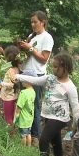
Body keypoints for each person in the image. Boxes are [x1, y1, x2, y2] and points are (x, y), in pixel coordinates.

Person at [15, 52, 79, 156]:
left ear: (65, 68)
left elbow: (75, 107)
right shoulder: (50, 78)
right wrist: (19, 77)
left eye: (56, 67)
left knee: (44, 139)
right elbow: (35, 80)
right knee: (56, 142)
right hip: (48, 116)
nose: (53, 69)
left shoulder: (70, 87)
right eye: (53, 66)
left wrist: (77, 125)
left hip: (60, 118)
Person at [19, 10, 54, 145]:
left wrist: (30, 48)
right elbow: (28, 55)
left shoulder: (47, 37)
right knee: (25, 105)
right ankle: (25, 134)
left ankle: (36, 137)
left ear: (42, 22)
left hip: (37, 75)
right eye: (31, 22)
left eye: (35, 22)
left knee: (35, 106)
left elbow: (44, 59)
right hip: (26, 73)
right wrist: (22, 48)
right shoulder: (31, 36)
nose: (33, 24)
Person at [14, 70, 37, 146]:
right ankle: (29, 147)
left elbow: (19, 107)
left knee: (23, 135)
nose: (21, 81)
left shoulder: (23, 93)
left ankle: (23, 148)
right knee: (28, 133)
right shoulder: (33, 91)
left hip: (23, 119)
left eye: (23, 80)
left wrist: (15, 118)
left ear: (28, 81)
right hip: (30, 117)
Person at [0, 45, 21, 125]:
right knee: (13, 116)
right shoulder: (18, 69)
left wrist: (1, 82)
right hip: (14, 96)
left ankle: (9, 134)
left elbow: (13, 84)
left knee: (8, 118)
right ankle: (13, 132)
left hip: (8, 97)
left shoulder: (11, 70)